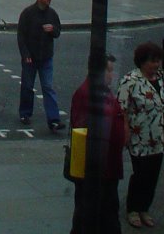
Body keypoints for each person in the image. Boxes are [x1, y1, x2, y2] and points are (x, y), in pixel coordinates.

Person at [117, 42, 164, 229]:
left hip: (158, 136)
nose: (156, 65)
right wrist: (124, 131)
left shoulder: (161, 77)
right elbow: (121, 109)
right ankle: (133, 209)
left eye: (158, 61)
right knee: (141, 174)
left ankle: (144, 209)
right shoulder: (130, 81)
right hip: (138, 136)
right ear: (142, 62)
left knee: (153, 175)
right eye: (152, 61)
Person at [69, 53, 127, 234]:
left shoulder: (102, 91)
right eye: (108, 71)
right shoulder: (87, 93)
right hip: (97, 170)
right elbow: (81, 129)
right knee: (98, 217)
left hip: (107, 168)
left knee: (103, 214)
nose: (112, 75)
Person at [17, 0, 65, 131]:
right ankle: (25, 113)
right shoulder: (27, 13)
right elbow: (21, 36)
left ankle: (53, 119)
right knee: (27, 86)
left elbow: (58, 32)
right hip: (30, 57)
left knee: (48, 87)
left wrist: (53, 30)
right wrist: (25, 55)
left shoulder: (52, 14)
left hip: (46, 57)